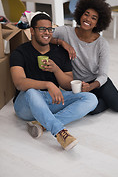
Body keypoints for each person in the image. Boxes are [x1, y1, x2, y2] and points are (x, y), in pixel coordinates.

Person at [10, 12, 98, 151]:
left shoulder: (60, 52)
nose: (47, 32)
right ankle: (59, 132)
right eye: (42, 29)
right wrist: (48, 84)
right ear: (32, 31)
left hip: (52, 100)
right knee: (32, 92)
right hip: (26, 104)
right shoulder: (20, 52)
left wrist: (56, 70)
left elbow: (66, 84)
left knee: (91, 99)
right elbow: (19, 83)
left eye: (50, 29)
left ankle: (41, 124)